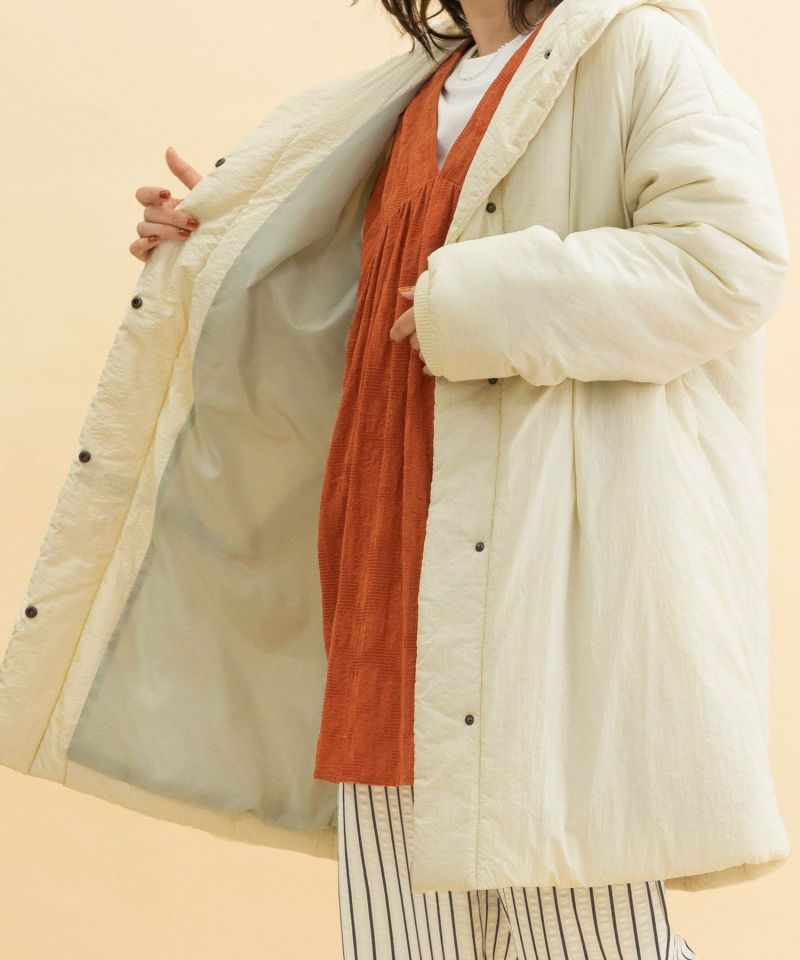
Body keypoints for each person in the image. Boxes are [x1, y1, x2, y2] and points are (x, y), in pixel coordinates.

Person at [0, 1, 785, 958]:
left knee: (587, 940)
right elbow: (364, 308)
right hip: (381, 574)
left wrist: (485, 297)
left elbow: (729, 260)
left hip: (536, 603)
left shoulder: (635, 50)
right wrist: (220, 248)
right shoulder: (412, 92)